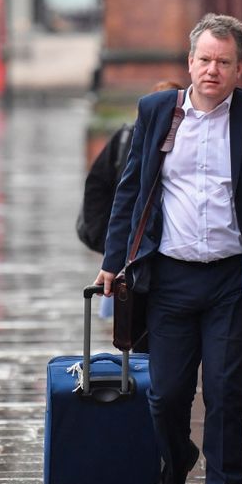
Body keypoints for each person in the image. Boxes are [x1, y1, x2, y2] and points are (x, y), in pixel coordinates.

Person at [94, 14, 242, 484]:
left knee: (227, 395)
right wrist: (113, 260)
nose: (213, 70)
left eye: (224, 62)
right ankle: (174, 467)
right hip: (168, 279)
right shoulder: (157, 112)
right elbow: (130, 192)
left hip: (230, 282)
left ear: (240, 68)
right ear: (190, 63)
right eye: (205, 59)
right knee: (165, 397)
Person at [77, 81, 183, 323]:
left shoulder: (186, 139)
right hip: (129, 252)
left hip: (170, 255)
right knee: (129, 329)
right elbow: (100, 187)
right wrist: (109, 244)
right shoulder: (127, 137)